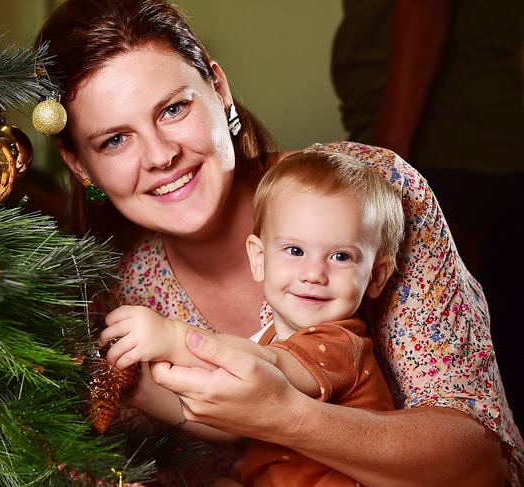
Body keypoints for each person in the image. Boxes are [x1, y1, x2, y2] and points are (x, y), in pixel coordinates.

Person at [37, 0, 523, 485]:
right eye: (115, 140)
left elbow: (482, 467)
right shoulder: (115, 295)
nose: (162, 155)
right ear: (80, 165)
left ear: (219, 89)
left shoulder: (367, 195)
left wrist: (286, 417)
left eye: (173, 108)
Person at [100, 150, 404, 486]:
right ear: (259, 259)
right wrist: (143, 394)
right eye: (295, 251)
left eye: (341, 256)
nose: (314, 273)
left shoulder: (339, 345)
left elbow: (263, 366)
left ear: (376, 276)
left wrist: (171, 337)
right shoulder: (270, 337)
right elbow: (224, 420)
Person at [331, 0, 524, 428]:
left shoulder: (401, 173)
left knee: (478, 360)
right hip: (454, 148)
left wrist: (387, 159)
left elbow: (424, 10)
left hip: (447, 153)